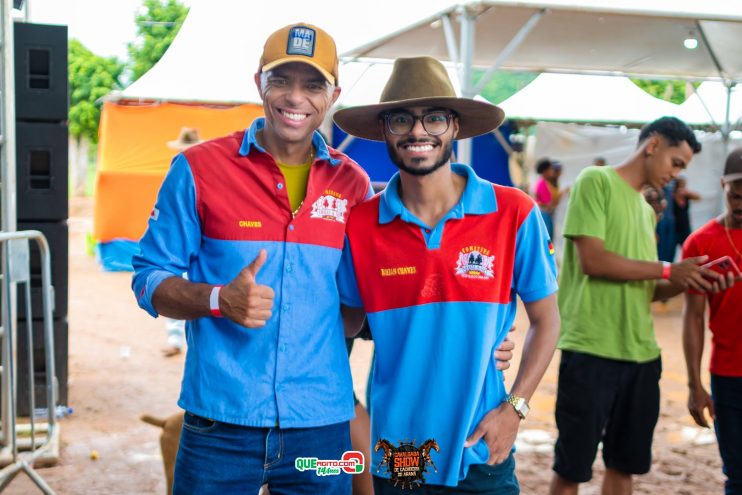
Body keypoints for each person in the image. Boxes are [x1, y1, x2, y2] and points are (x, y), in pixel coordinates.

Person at [131, 24, 514, 495]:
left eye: (313, 84)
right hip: (220, 424)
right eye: (281, 80)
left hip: (321, 429)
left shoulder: (352, 186)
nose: (296, 97)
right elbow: (149, 277)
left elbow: (374, 299)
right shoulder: (198, 170)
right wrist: (216, 299)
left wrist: (473, 338)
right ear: (259, 84)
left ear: (332, 94)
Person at [334, 56, 561, 494]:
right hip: (399, 452)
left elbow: (547, 320)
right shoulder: (360, 225)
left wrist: (515, 408)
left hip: (482, 447)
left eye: (434, 119)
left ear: (455, 127)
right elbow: (343, 325)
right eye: (401, 120)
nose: (418, 132)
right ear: (385, 131)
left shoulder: (514, 212)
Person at [549, 116, 729, 495]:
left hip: (641, 355)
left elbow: (646, 288)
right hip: (591, 349)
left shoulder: (646, 210)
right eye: (676, 163)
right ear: (653, 145)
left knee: (624, 467)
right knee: (571, 469)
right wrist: (667, 269)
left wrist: (685, 281)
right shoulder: (595, 181)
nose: (676, 173)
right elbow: (593, 261)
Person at [682, 148, 742, 495]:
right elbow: (692, 319)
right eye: (736, 195)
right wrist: (694, 385)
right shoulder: (701, 243)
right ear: (723, 186)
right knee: (737, 475)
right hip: (729, 376)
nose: (741, 203)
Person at [161, 127, 204, 357]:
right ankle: (176, 339)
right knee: (176, 284)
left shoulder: (208, 167)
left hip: (202, 235)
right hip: (181, 234)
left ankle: (190, 341)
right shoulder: (177, 166)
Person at [673, 175, 701, 247]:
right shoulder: (671, 195)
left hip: (685, 227)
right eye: (682, 184)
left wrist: (686, 192)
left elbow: (698, 197)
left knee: (688, 247)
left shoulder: (687, 195)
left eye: (684, 185)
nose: (683, 186)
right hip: (674, 228)